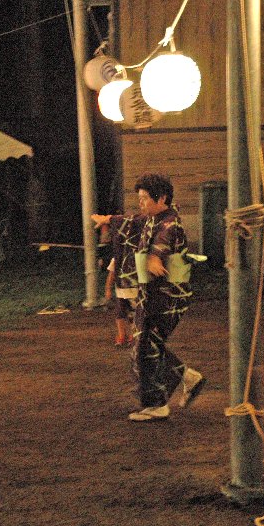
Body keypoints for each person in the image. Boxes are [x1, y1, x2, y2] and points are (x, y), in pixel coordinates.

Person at [92, 173, 205, 421]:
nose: (140, 203)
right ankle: (187, 377)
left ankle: (156, 404)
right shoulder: (153, 218)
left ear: (161, 198)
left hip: (167, 299)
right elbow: (133, 220)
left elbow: (163, 243)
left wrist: (154, 258)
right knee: (146, 345)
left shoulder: (170, 224)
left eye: (144, 198)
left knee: (143, 347)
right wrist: (109, 219)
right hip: (153, 295)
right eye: (139, 198)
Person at [100, 214, 144, 346]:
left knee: (133, 315)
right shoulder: (118, 259)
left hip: (133, 290)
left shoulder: (133, 258)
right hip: (121, 290)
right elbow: (111, 275)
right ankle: (121, 336)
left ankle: (132, 336)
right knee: (120, 314)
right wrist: (108, 290)